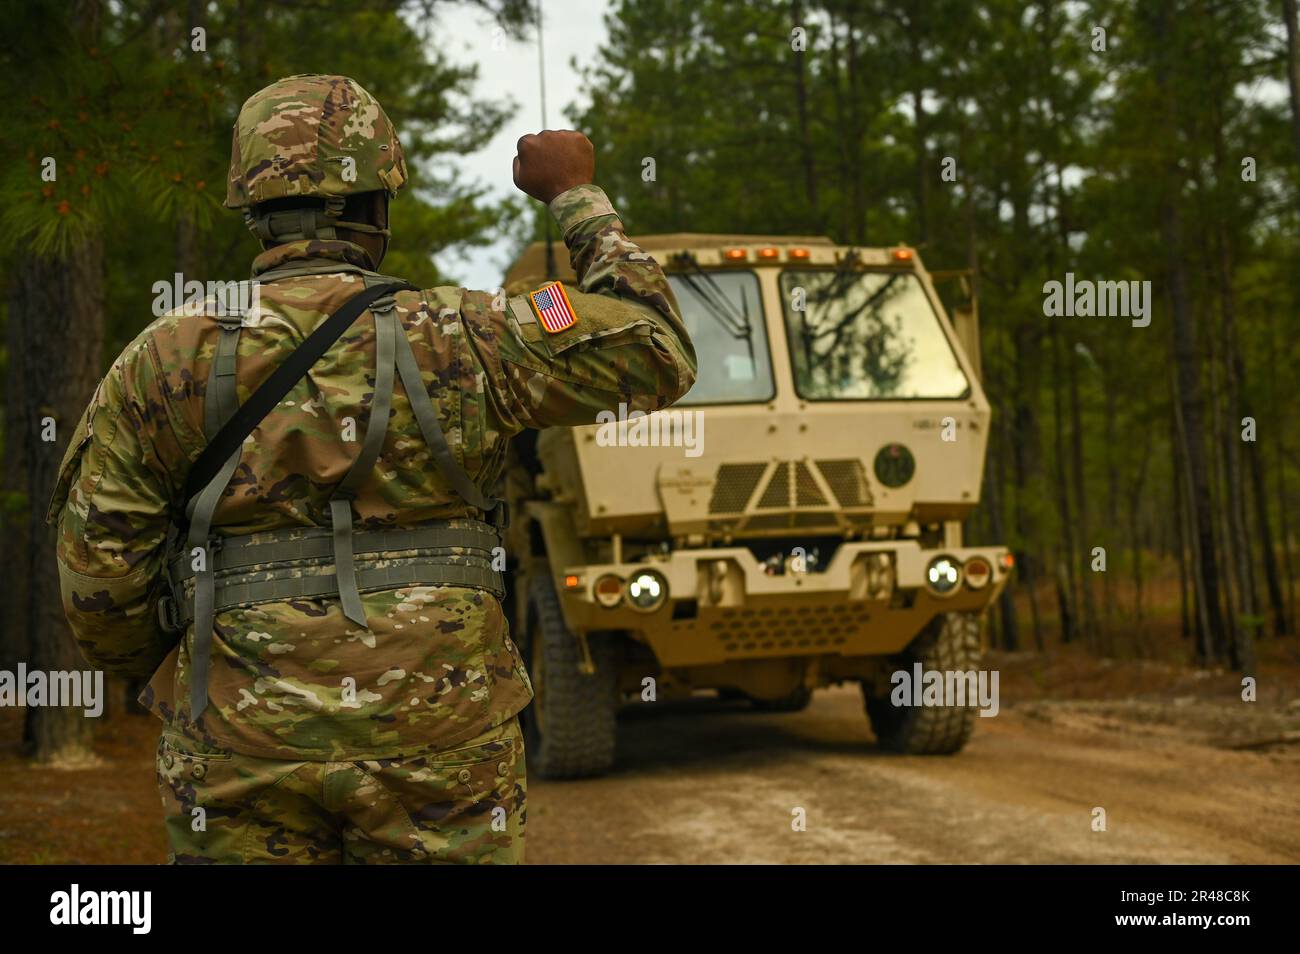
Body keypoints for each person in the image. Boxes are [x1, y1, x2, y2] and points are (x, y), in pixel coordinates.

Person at [46, 73, 696, 864]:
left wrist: (200, 678)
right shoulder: (467, 335)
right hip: (440, 740)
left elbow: (99, 573)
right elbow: (657, 347)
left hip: (240, 745)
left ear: (252, 210)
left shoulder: (163, 357)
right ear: (374, 210)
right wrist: (577, 197)